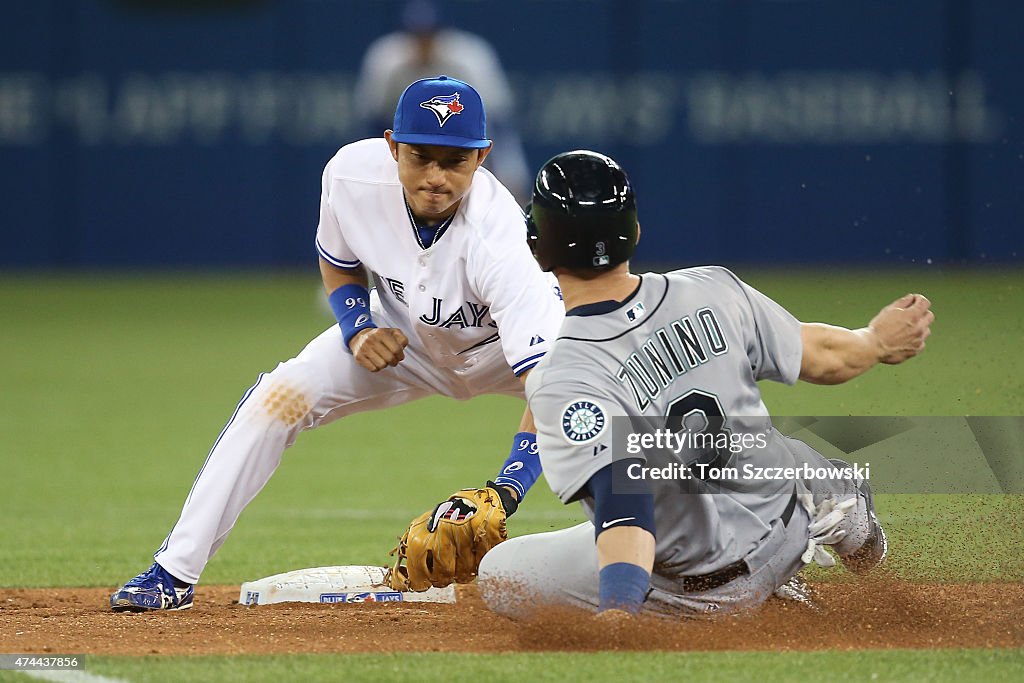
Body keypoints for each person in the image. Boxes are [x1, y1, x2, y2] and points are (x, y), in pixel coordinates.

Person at [110, 75, 564, 612]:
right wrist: (357, 328)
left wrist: (507, 488)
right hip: (404, 341)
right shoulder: (351, 175)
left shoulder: (500, 239)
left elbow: (551, 384)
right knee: (279, 396)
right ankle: (173, 572)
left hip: (502, 357)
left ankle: (654, 574)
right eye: (420, 156)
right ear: (393, 146)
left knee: (614, 415)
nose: (436, 176)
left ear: (483, 157)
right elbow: (340, 261)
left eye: (455, 160)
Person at [478, 150, 934, 618]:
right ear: (634, 230)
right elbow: (824, 356)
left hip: (699, 595)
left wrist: (618, 611)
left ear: (535, 245)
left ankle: (757, 589)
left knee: (499, 575)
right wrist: (875, 340)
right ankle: (832, 496)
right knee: (764, 446)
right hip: (786, 525)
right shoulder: (712, 289)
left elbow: (625, 506)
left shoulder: (563, 374)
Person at [354, 0, 531, 203]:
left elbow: (497, 123)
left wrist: (511, 173)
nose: (423, 43)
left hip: (462, 155)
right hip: (410, 155)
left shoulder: (470, 57)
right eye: (417, 35)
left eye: (429, 35)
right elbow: (373, 123)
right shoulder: (387, 58)